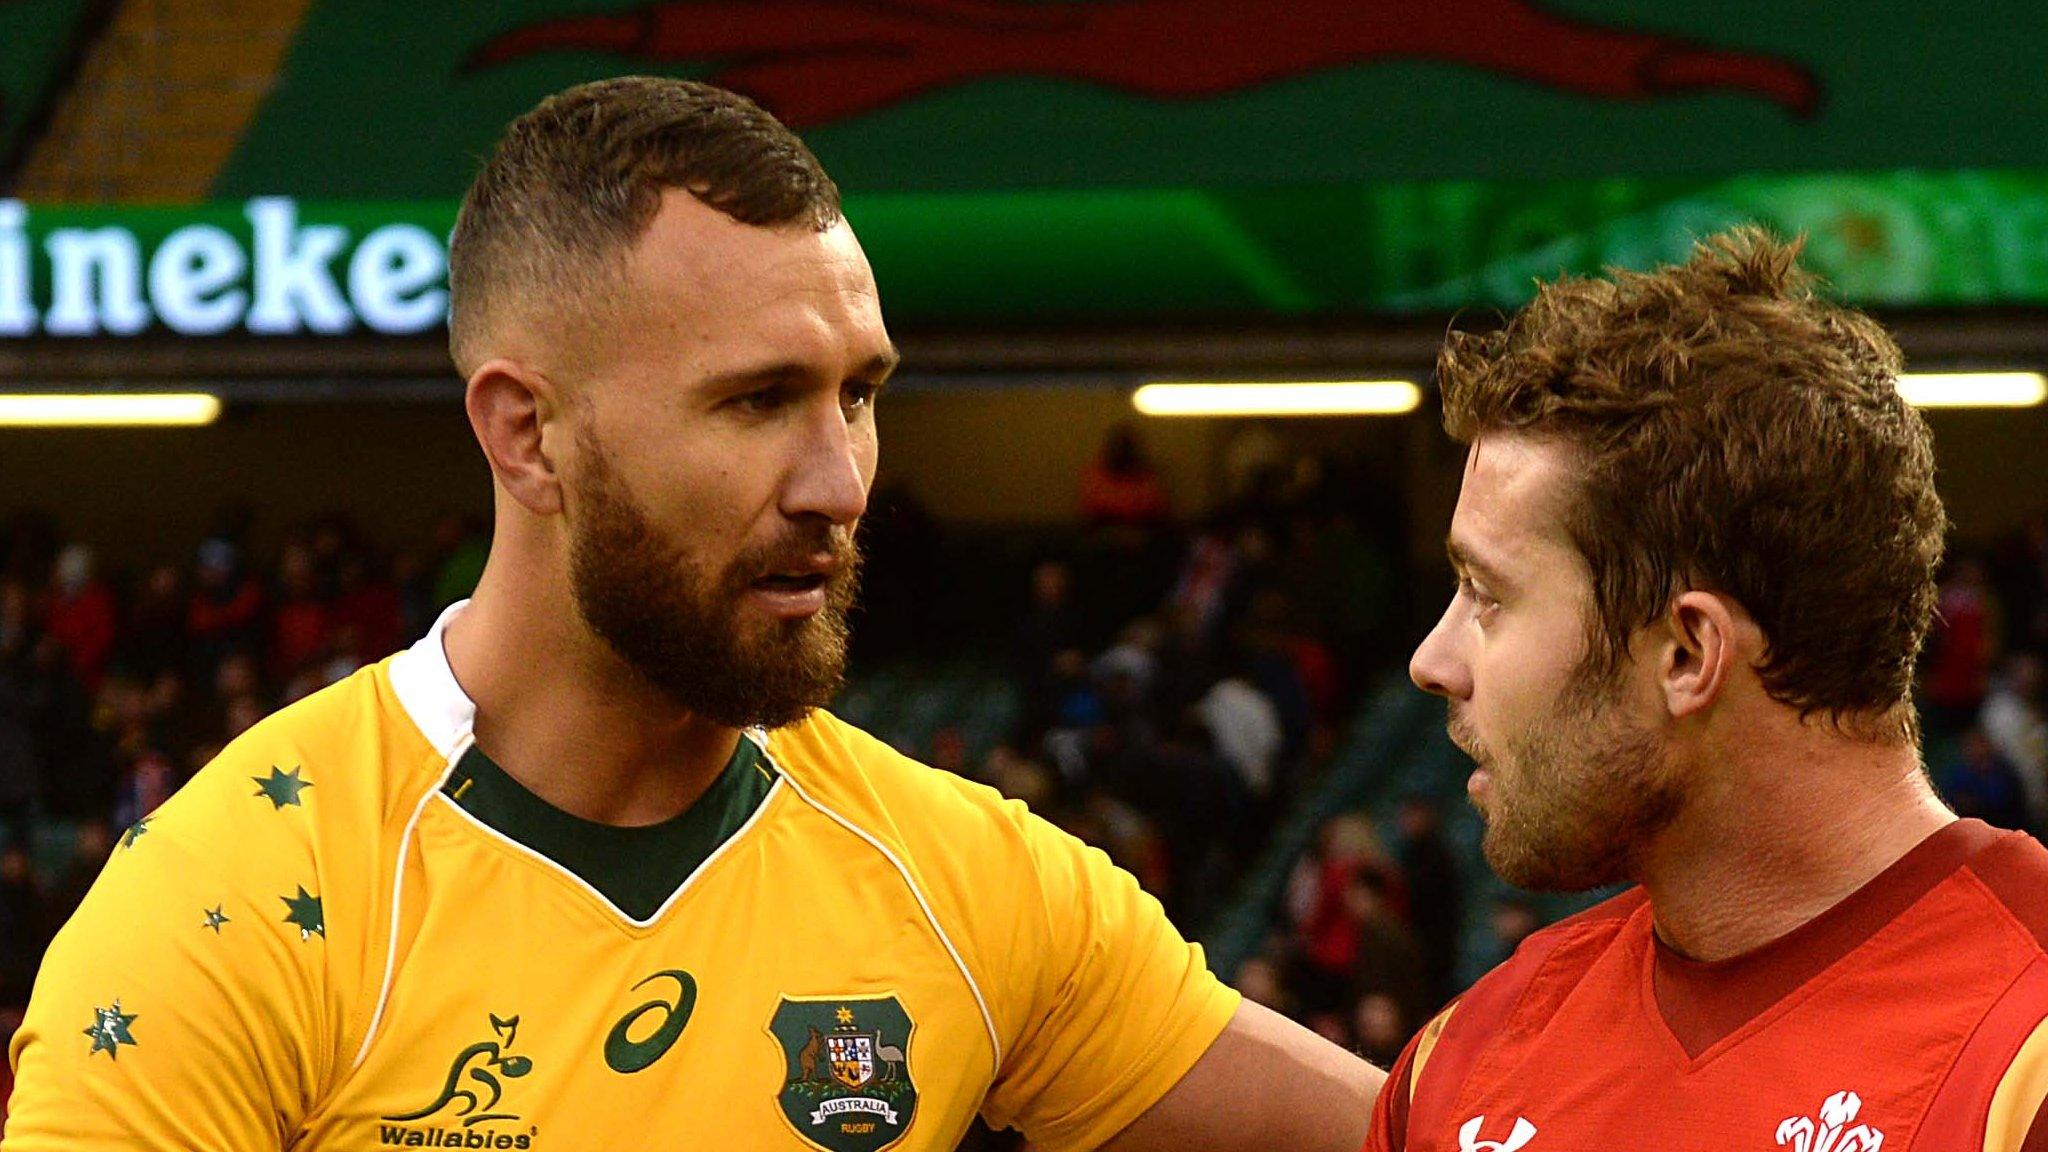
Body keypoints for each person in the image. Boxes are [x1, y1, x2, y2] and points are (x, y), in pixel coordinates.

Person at [6, 78, 1378, 1151]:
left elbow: (1447, 1134)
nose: (840, 482)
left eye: (861, 393)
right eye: (758, 400)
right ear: (528, 437)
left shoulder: (967, 886)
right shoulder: (226, 914)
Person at [1368, 231, 2048, 1150]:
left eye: (1488, 595)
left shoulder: (2022, 1050)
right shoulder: (1458, 1068)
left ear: (1688, 654)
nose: (1433, 661)